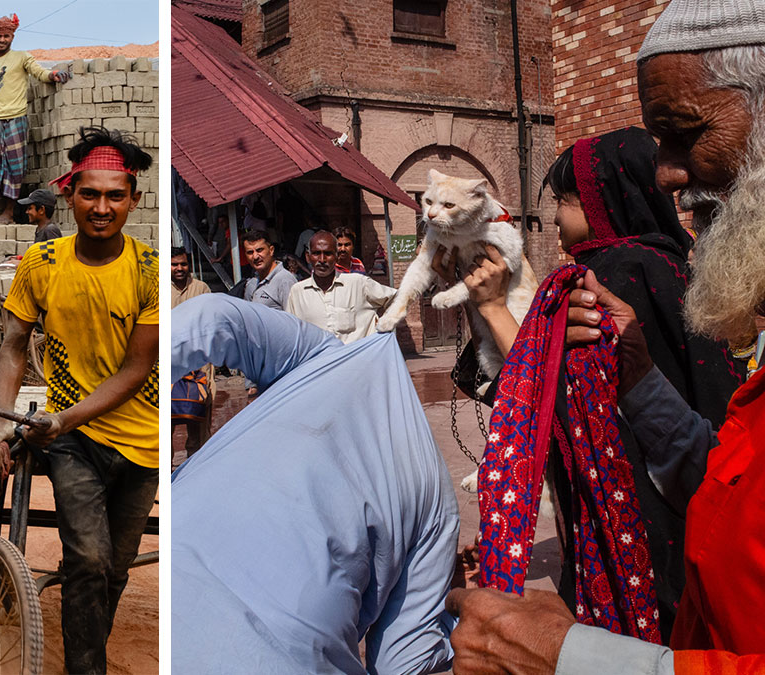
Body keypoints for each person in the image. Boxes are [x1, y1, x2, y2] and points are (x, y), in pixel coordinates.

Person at [448, 1, 765, 670]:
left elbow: (547, 399)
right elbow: (732, 484)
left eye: (686, 132)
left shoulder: (620, 269)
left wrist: (571, 657)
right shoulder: (668, 271)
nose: (668, 175)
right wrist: (640, 380)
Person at [171, 295, 457, 674]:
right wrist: (456, 609)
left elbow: (212, 318)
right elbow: (402, 662)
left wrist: (141, 380)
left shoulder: (315, 355)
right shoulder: (435, 495)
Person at [0, 127, 157, 674]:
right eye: (90, 194)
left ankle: (87, 657)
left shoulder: (149, 271)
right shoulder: (41, 263)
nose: (102, 208)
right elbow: (13, 346)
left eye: (115, 196)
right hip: (73, 440)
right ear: (69, 194)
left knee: (114, 569)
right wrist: (4, 422)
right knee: (87, 557)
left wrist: (60, 419)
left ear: (133, 199)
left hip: (141, 441)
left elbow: (136, 370)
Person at [0, 14, 71, 224]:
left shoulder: (22, 57)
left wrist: (52, 75)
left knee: (14, 168)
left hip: (16, 119)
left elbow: (39, 72)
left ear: (12, 38)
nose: (2, 40)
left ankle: (9, 212)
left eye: (6, 36)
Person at [286, 230, 397, 344]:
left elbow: (398, 298)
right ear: (308, 257)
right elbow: (291, 332)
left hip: (355, 355)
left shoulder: (358, 284)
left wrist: (383, 326)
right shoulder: (297, 292)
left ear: (336, 256)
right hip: (316, 356)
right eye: (316, 253)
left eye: (328, 254)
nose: (322, 260)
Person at [170, 247, 211, 463]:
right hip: (168, 364)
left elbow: (210, 323)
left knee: (199, 421)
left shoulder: (201, 289)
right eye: (174, 264)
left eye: (183, 264)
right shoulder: (159, 288)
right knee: (165, 423)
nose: (179, 268)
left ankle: (196, 468)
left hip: (198, 364)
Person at [243, 229, 296, 311]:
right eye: (250, 252)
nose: (255, 256)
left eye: (259, 250)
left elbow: (293, 316)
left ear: (271, 250)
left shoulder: (285, 280)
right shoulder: (252, 283)